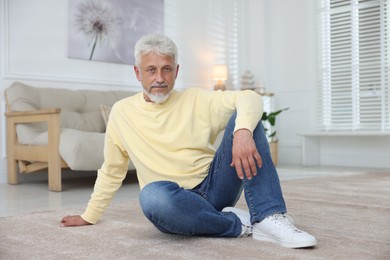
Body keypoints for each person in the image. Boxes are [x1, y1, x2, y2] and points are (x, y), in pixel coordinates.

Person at [61, 33, 317, 249]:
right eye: (151, 70)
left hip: (215, 186)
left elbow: (249, 97)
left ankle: (270, 216)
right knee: (151, 197)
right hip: (173, 199)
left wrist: (242, 132)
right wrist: (89, 216)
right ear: (138, 73)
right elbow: (112, 170)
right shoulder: (122, 112)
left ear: (176, 71)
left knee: (245, 118)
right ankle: (241, 225)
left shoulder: (196, 99)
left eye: (166, 69)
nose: (159, 77)